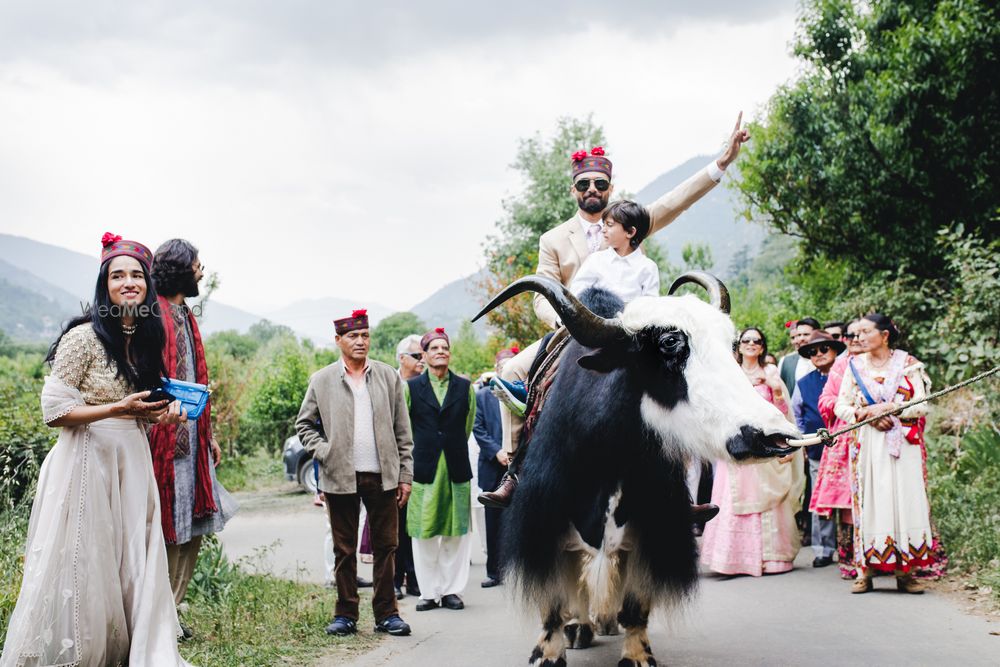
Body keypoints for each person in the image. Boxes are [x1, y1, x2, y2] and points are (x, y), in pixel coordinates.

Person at [488, 115, 752, 505]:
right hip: (576, 327)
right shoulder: (554, 238)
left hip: (633, 332)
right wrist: (566, 319)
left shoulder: (633, 221)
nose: (592, 189)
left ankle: (679, 488)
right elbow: (541, 292)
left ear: (610, 187)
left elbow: (675, 201)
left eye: (599, 183)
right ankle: (517, 470)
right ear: (573, 190)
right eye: (584, 184)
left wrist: (723, 161)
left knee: (677, 379)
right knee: (511, 370)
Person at [1, 233, 193, 666]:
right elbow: (53, 411)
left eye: (137, 275)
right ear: (104, 284)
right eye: (117, 274)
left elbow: (139, 411)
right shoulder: (83, 337)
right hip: (85, 460)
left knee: (135, 559)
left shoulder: (145, 339)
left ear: (148, 285)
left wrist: (162, 415)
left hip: (133, 460)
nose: (129, 282)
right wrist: (116, 407)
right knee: (88, 562)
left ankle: (140, 649)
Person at [295, 309, 413, 636]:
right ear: (339, 341)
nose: (360, 341)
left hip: (383, 475)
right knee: (344, 549)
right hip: (340, 476)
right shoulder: (321, 380)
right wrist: (325, 451)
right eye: (353, 336)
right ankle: (345, 614)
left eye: (365, 335)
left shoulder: (389, 376)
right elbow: (304, 425)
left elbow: (403, 432)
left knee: (387, 546)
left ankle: (387, 614)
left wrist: (405, 475)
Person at [149, 239, 237, 633]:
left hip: (194, 442)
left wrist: (210, 434)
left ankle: (173, 609)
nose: (201, 272)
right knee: (169, 529)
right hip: (163, 444)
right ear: (182, 269)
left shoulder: (185, 313)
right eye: (198, 265)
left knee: (194, 528)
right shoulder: (153, 315)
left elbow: (195, 380)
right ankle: (159, 616)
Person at [834, 314, 933, 594]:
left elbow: (921, 404)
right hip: (868, 444)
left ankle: (906, 572)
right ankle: (864, 571)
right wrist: (865, 413)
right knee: (870, 502)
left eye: (866, 332)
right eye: (857, 333)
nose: (859, 338)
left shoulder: (909, 365)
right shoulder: (854, 367)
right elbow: (842, 406)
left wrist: (891, 409)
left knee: (906, 500)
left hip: (903, 443)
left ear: (885, 335)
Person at [700, 327, 805, 577]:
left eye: (756, 341)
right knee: (734, 497)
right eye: (746, 340)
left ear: (762, 346)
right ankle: (734, 559)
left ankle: (771, 559)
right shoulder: (730, 374)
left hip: (764, 447)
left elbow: (782, 409)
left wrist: (776, 390)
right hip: (737, 447)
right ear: (739, 345)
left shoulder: (770, 372)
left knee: (767, 498)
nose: (751, 344)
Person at [405, 328, 477, 611]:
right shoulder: (410, 388)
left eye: (444, 347)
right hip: (424, 468)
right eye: (434, 348)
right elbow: (405, 429)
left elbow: (467, 424)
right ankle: (428, 592)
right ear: (423, 355)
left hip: (456, 467)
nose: (440, 352)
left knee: (456, 532)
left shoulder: (464, 387)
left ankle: (451, 591)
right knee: (423, 531)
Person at [791, 330, 845, 567]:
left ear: (834, 350)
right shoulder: (803, 383)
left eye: (824, 349)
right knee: (819, 498)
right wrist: (803, 441)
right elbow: (798, 414)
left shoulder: (848, 376)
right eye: (813, 352)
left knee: (849, 497)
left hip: (847, 446)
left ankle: (851, 547)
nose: (819, 354)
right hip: (816, 448)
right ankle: (823, 548)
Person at [815, 319, 864, 579]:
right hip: (848, 439)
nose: (856, 339)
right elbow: (826, 399)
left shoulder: (889, 363)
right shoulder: (842, 366)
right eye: (851, 335)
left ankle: (883, 556)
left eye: (861, 334)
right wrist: (849, 406)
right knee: (848, 503)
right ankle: (852, 560)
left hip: (878, 436)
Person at [473, 348, 517, 587]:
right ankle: (494, 571)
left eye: (512, 364)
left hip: (516, 467)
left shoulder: (523, 394)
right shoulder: (482, 396)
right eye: (503, 365)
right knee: (492, 520)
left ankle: (515, 570)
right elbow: (478, 428)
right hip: (492, 465)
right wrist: (496, 451)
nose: (506, 369)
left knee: (515, 520)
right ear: (496, 367)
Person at [393, 333, 424, 598]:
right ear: (402, 359)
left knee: (415, 525)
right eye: (417, 355)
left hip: (420, 463)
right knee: (396, 527)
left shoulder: (424, 386)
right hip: (394, 464)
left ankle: (415, 579)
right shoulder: (392, 383)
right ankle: (395, 579)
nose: (422, 360)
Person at [778, 317, 821, 396]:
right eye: (799, 335)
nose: (801, 338)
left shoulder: (826, 359)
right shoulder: (786, 361)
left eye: (806, 334)